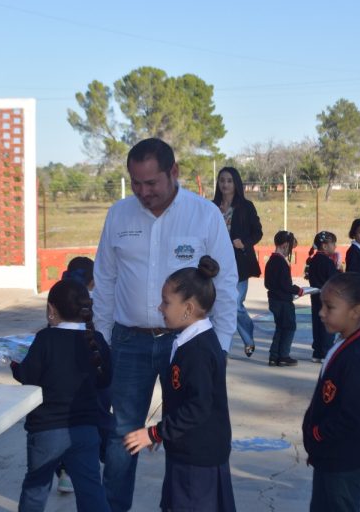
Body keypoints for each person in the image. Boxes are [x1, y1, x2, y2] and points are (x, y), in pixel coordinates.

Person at [92, 138, 237, 511]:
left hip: (185, 346)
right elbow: (105, 281)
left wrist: (218, 348)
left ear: (173, 173)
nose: (143, 192)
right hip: (129, 342)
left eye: (151, 183)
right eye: (136, 183)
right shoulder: (119, 215)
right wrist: (105, 340)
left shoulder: (204, 215)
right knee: (123, 435)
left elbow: (224, 283)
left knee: (183, 435)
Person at [123, 256, 236, 512]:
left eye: (166, 302)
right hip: (187, 449)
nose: (160, 308)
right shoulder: (187, 341)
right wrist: (166, 433)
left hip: (198, 457)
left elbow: (198, 406)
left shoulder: (198, 351)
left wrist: (155, 432)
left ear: (189, 308)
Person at [11, 278, 112, 512]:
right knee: (91, 489)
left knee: (36, 488)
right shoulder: (96, 341)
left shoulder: (45, 339)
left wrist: (15, 363)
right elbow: (105, 380)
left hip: (46, 430)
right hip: (86, 430)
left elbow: (28, 376)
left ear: (51, 310)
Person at [302, 270, 360, 512]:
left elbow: (352, 414)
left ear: (356, 311)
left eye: (329, 307)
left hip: (344, 459)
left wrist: (317, 435)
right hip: (331, 455)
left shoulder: (356, 357)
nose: (321, 313)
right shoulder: (343, 344)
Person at [56, 256, 99, 494]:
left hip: (60, 375)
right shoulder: (93, 300)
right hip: (87, 373)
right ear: (93, 281)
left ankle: (63, 471)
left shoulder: (59, 294)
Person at [212, 166, 263, 357]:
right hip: (215, 266)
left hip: (240, 264)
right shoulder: (211, 206)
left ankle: (248, 340)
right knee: (215, 305)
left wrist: (244, 244)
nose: (225, 184)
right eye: (222, 180)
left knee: (236, 304)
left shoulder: (246, 206)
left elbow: (257, 232)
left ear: (236, 184)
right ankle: (218, 344)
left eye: (229, 180)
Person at [264, 230, 303, 367]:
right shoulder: (281, 262)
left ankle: (274, 356)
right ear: (285, 245)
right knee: (289, 327)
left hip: (274, 299)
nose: (290, 251)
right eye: (291, 248)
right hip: (283, 301)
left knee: (280, 327)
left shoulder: (271, 261)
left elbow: (267, 283)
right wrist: (297, 290)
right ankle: (283, 355)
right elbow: (285, 285)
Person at [305, 231, 341, 362]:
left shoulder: (313, 261)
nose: (335, 246)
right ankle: (326, 351)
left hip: (315, 297)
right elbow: (333, 279)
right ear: (324, 246)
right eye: (333, 243)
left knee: (317, 323)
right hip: (328, 298)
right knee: (328, 323)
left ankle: (317, 352)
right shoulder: (327, 262)